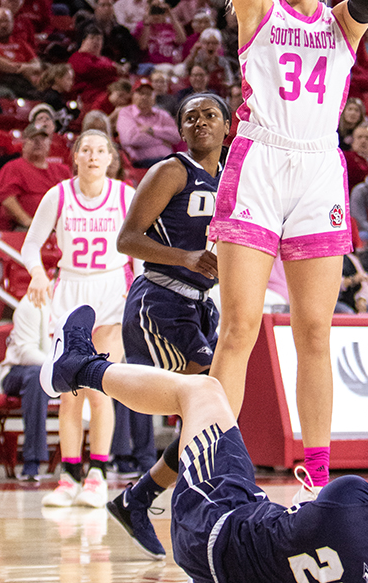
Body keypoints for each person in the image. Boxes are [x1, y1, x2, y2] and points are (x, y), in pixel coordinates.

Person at [41, 303, 368, 583]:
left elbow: (346, 522)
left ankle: (77, 367)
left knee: (202, 392)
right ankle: (137, 498)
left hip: (212, 521)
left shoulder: (351, 498)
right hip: (229, 570)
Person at [194, 0, 368, 497]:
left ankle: (317, 473)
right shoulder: (258, 12)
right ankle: (210, 463)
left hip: (317, 172)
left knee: (313, 329)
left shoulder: (342, 25)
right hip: (260, 161)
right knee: (240, 324)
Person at [110, 93, 230, 558]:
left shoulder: (232, 179)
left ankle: (138, 498)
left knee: (218, 408)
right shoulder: (172, 171)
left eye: (210, 115)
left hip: (200, 305)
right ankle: (195, 503)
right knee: (212, 404)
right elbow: (127, 239)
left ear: (227, 126)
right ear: (180, 130)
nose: (200, 122)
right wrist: (187, 258)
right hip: (160, 300)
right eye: (190, 117)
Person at [22, 130, 136, 508]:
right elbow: (30, 245)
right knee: (69, 391)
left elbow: (142, 247)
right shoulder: (58, 195)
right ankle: (69, 474)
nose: (92, 156)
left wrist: (136, 288)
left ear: (110, 158)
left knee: (99, 386)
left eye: (100, 150)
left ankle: (98, 473)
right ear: (75, 156)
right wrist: (38, 273)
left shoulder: (124, 195)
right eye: (85, 150)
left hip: (110, 293)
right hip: (69, 290)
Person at [0, 293, 51, 482]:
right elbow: (26, 353)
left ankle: (126, 458)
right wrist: (59, 367)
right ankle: (32, 461)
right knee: (37, 375)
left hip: (59, 372)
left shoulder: (80, 301)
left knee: (115, 374)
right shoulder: (32, 302)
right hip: (18, 371)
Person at [0, 124, 70, 230]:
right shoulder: (13, 168)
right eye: (33, 139)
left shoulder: (63, 170)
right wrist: (27, 220)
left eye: (42, 139)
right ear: (24, 144)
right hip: (26, 228)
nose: (38, 142)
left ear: (49, 143)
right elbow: (7, 199)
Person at [116, 77, 180, 167]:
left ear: (153, 97)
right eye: (141, 93)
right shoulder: (126, 113)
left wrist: (152, 130)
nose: (144, 97)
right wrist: (162, 141)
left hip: (168, 160)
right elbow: (131, 139)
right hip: (142, 163)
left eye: (148, 94)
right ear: (133, 95)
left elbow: (177, 135)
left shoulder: (161, 113)